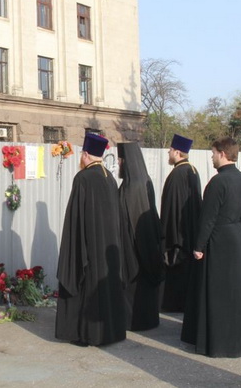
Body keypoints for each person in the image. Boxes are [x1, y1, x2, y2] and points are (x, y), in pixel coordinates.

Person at [181, 137, 241, 358]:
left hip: (218, 240)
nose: (211, 157)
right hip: (236, 236)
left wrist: (199, 245)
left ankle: (220, 341)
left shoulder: (218, 182)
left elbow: (208, 218)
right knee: (238, 292)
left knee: (218, 293)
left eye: (212, 153)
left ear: (221, 153)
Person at [56, 133, 127, 346]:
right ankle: (110, 332)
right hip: (108, 245)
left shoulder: (83, 178)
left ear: (86, 155)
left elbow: (76, 217)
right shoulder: (109, 178)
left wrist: (74, 247)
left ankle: (87, 334)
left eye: (81, 154)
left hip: (90, 243)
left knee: (87, 285)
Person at [117, 142, 165, 331]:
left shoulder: (134, 186)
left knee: (136, 285)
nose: (119, 163)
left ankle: (136, 320)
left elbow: (136, 219)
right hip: (141, 243)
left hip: (135, 245)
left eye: (121, 159)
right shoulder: (142, 180)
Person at [160, 134, 202, 313]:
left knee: (178, 272)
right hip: (191, 231)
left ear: (177, 152)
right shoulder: (192, 170)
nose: (168, 153)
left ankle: (175, 304)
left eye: (170, 150)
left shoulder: (178, 174)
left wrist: (166, 235)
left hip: (178, 236)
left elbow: (172, 209)